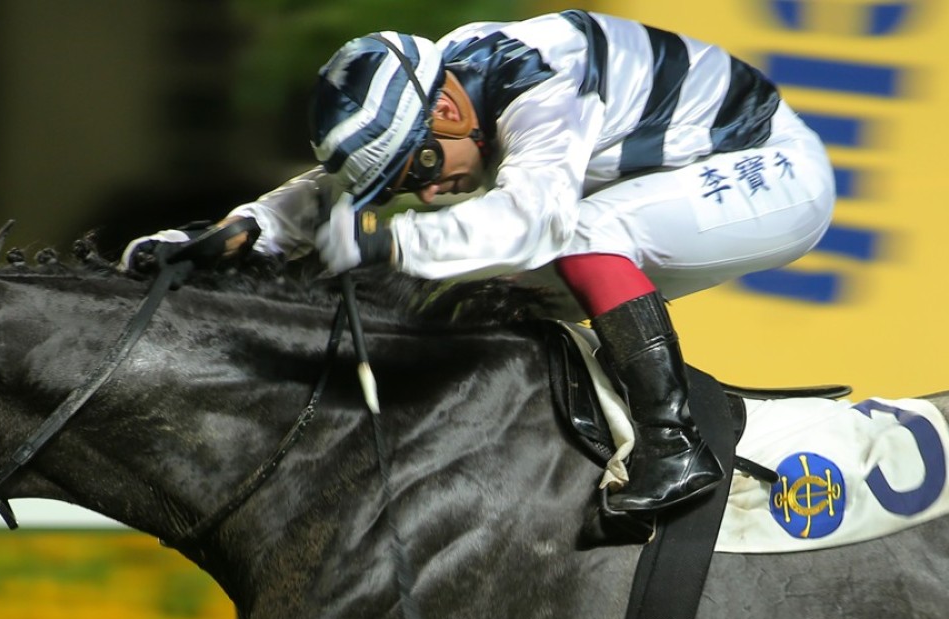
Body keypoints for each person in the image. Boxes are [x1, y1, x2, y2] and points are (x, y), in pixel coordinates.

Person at [123, 10, 835, 515]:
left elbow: (533, 224)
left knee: (580, 236)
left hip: (773, 176)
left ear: (450, 112)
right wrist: (242, 230)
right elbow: (335, 189)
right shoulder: (446, 81)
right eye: (411, 184)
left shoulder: (545, 86)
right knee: (488, 297)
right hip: (690, 173)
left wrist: (388, 242)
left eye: (424, 167)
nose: (429, 192)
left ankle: (673, 449)